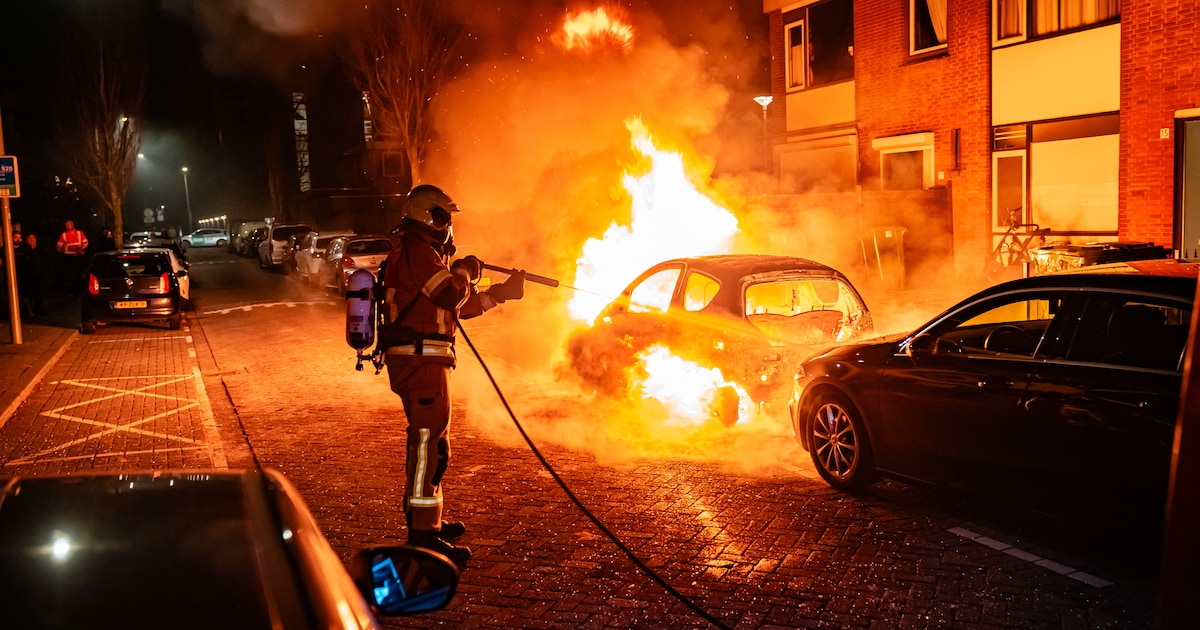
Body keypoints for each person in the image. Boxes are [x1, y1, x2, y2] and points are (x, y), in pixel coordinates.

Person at [378, 184, 525, 568]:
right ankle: (423, 535)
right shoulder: (418, 251)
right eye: (446, 218)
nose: (449, 227)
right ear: (431, 216)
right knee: (430, 448)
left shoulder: (421, 252)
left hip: (423, 362)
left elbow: (461, 306)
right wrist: (463, 269)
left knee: (429, 445)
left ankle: (427, 521)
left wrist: (501, 293)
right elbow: (449, 293)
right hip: (420, 363)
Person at [56, 219, 89, 292]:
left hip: (78, 257)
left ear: (73, 225)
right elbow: (59, 245)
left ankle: (80, 289)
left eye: (69, 224)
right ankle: (75, 290)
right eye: (66, 225)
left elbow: (85, 242)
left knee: (79, 273)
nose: (68, 226)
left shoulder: (79, 233)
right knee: (72, 274)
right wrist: (61, 250)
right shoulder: (64, 235)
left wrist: (81, 248)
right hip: (69, 258)